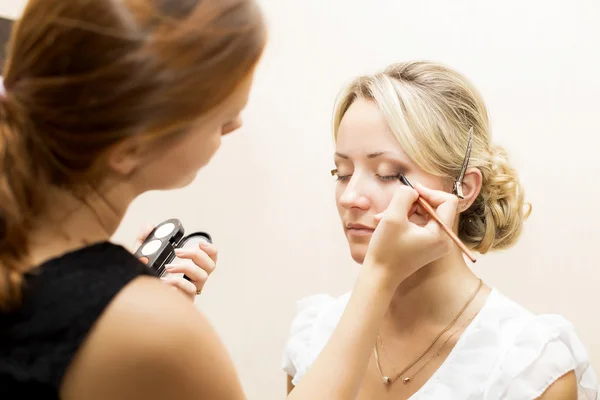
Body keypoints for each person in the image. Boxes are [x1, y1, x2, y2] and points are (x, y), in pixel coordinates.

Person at [0, 2, 463, 399]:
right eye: (220, 111)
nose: (237, 122)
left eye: (388, 174)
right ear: (131, 147)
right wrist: (380, 275)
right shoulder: (147, 327)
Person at [282, 61, 598, 399]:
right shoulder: (314, 335)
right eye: (342, 173)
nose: (350, 197)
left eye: (388, 173)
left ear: (464, 188)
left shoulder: (529, 366)